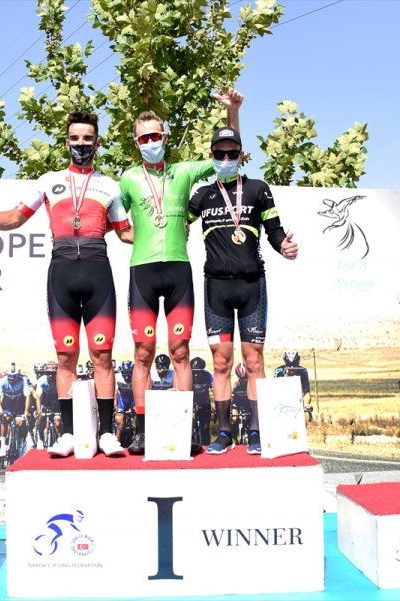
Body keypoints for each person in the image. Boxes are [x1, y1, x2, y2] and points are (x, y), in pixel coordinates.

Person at [0, 112, 131, 459]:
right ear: (67, 142)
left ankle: (107, 434)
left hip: (98, 272)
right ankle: (67, 434)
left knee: (102, 355)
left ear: (97, 143)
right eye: (75, 138)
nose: (81, 144)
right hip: (62, 274)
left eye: (87, 138)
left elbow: (125, 232)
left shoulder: (109, 185)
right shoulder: (48, 181)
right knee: (66, 357)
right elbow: (14, 218)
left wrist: (166, 232)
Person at [120, 90, 242, 455]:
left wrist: (232, 113)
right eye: (144, 138)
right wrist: (140, 236)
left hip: (178, 272)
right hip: (142, 272)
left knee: (180, 352)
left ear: (165, 137)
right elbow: (119, 225)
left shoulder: (185, 171)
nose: (150, 142)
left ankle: (184, 429)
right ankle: (142, 431)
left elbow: (227, 158)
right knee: (143, 354)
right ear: (136, 143)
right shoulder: (128, 178)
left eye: (155, 136)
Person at [187, 125, 299, 455]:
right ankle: (223, 432)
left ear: (241, 155)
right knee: (221, 363)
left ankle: (255, 431)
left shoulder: (258, 189)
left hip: (252, 286)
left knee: (254, 361)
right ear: (211, 156)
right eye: (219, 154)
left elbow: (274, 230)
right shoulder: (202, 194)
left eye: (232, 153)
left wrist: (284, 247)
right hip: (216, 289)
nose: (225, 159)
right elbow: (179, 223)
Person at [276, 350, 313, 421]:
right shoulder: (279, 371)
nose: (292, 367)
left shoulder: (303, 371)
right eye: (289, 364)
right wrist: (287, 376)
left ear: (298, 362)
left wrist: (306, 404)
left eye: (294, 364)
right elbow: (276, 391)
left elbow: (306, 392)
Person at [190, 356, 214, 446]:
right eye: (194, 372)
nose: (195, 375)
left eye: (198, 372)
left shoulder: (208, 375)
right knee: (191, 420)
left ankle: (206, 444)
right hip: (192, 399)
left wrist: (214, 403)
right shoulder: (188, 375)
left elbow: (214, 389)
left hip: (204, 400)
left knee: (206, 426)